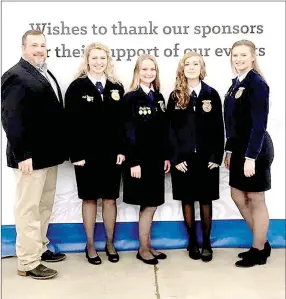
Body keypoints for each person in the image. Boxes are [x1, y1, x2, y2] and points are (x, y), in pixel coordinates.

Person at [1, 30, 67, 279]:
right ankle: (28, 262)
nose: (40, 49)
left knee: (43, 205)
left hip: (48, 155)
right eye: (34, 45)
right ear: (23, 47)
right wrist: (23, 154)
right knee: (28, 208)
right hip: (30, 157)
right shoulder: (15, 76)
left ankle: (39, 248)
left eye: (43, 45)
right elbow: (11, 119)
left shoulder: (43, 72)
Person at [65, 42, 125, 265]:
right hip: (86, 156)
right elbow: (69, 124)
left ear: (108, 61)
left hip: (112, 156)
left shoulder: (116, 87)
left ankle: (110, 243)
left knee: (110, 200)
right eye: (95, 58)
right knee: (90, 200)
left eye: (103, 58)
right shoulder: (76, 87)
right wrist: (76, 154)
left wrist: (122, 151)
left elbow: (123, 124)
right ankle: (90, 245)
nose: (99, 62)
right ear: (87, 60)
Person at [167, 51, 224, 262]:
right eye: (187, 64)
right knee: (187, 200)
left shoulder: (211, 94)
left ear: (202, 68)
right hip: (183, 161)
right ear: (182, 68)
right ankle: (192, 242)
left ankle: (207, 243)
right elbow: (170, 130)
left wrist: (216, 156)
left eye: (195, 64)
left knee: (206, 200)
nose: (191, 67)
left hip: (207, 159)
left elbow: (219, 128)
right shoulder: (175, 96)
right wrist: (175, 159)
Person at [224, 40, 274, 267]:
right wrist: (229, 149)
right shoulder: (236, 84)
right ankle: (261, 242)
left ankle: (258, 250)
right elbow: (232, 123)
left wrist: (251, 157)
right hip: (238, 148)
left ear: (253, 57)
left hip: (256, 148)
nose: (238, 59)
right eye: (235, 55)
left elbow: (258, 125)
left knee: (255, 199)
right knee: (237, 195)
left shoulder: (257, 84)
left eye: (243, 55)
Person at [123, 54, 171, 265]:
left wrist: (166, 157)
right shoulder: (130, 97)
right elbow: (128, 132)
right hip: (139, 162)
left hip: (156, 160)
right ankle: (143, 248)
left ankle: (148, 245)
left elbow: (164, 130)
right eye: (144, 70)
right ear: (137, 72)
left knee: (152, 203)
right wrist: (134, 162)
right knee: (147, 204)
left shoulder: (158, 97)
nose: (148, 73)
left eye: (152, 70)